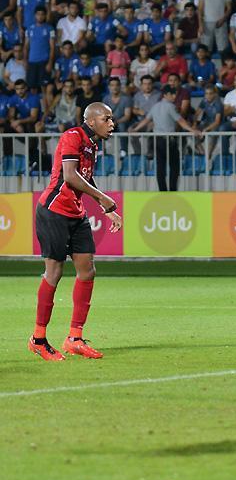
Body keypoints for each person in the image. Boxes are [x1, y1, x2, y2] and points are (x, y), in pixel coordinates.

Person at [29, 102, 122, 361]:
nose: (112, 124)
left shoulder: (92, 144)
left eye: (111, 119)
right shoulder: (73, 136)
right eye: (107, 119)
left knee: (87, 270)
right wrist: (102, 197)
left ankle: (74, 338)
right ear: (91, 121)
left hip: (76, 214)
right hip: (54, 210)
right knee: (54, 272)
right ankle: (38, 339)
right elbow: (70, 176)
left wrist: (106, 208)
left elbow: (85, 178)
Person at [131, 86, 200, 191]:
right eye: (172, 94)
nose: (174, 97)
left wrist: (135, 129)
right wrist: (192, 130)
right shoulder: (170, 106)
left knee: (160, 166)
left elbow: (146, 120)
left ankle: (162, 190)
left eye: (175, 94)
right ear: (166, 95)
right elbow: (180, 121)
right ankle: (172, 190)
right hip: (169, 139)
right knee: (174, 165)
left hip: (157, 139)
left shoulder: (155, 106)